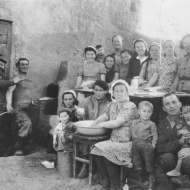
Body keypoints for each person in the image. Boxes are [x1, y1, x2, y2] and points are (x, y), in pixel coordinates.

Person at [90, 80, 137, 190]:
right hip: (114, 141)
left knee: (106, 151)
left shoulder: (130, 106)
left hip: (127, 143)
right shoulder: (112, 105)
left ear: (127, 92)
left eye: (122, 91)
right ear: (113, 93)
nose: (120, 93)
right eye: (117, 91)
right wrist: (94, 123)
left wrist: (101, 125)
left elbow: (117, 123)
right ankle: (108, 180)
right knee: (97, 150)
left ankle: (115, 185)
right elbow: (105, 116)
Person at [75, 80, 111, 179]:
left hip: (102, 131)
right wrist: (79, 114)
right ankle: (85, 165)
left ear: (106, 91)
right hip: (87, 129)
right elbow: (80, 118)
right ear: (93, 90)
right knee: (84, 140)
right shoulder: (85, 101)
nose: (98, 93)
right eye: (96, 90)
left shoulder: (110, 104)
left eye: (101, 90)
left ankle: (97, 168)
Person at [156, 93, 190, 180]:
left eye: (174, 102)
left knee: (187, 160)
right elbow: (160, 147)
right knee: (166, 158)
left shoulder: (188, 118)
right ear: (164, 108)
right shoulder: (162, 124)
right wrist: (179, 142)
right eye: (167, 104)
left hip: (187, 155)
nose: (171, 106)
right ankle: (172, 182)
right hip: (172, 158)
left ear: (180, 104)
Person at [6, 58, 33, 156]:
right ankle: (18, 148)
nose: (25, 66)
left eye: (26, 64)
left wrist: (32, 101)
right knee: (27, 124)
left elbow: (25, 93)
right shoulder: (15, 79)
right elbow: (9, 91)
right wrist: (9, 105)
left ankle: (23, 148)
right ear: (17, 66)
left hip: (28, 109)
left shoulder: (27, 80)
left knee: (28, 127)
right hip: (19, 109)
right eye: (22, 64)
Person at [131, 101, 158, 190]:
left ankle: (151, 183)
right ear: (138, 112)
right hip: (137, 144)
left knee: (149, 162)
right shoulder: (135, 122)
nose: (146, 114)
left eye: (148, 112)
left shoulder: (151, 124)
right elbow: (133, 134)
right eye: (144, 111)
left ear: (151, 113)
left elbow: (155, 134)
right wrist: (137, 139)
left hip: (147, 145)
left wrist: (153, 143)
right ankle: (140, 180)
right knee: (137, 162)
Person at [0, 58, 23, 156]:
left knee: (4, 130)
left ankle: (3, 152)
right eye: (0, 64)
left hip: (2, 107)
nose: (1, 67)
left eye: (2, 65)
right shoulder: (6, 81)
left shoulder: (4, 78)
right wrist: (13, 81)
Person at [166, 106, 190, 177]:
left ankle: (177, 170)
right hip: (185, 144)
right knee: (181, 154)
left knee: (183, 156)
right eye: (188, 119)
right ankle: (177, 171)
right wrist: (180, 131)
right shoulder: (184, 123)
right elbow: (176, 130)